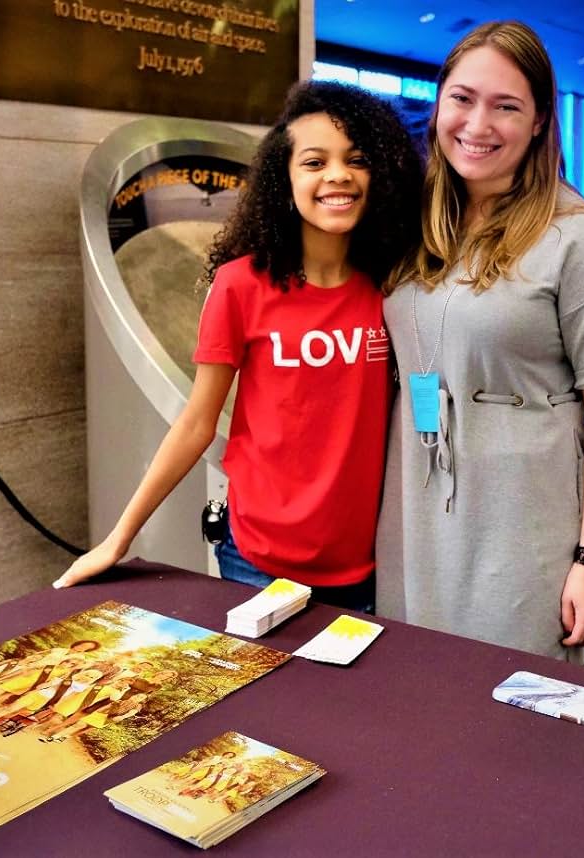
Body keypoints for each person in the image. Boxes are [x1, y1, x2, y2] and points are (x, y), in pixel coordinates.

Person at [53, 81, 423, 611]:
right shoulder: (241, 285)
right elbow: (196, 424)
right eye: (314, 162)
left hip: (366, 565)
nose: (338, 175)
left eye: (356, 159)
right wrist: (119, 538)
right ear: (283, 178)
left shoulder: (391, 287)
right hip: (255, 561)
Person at [376, 21, 584, 662]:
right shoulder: (414, 223)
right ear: (439, 103)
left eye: (507, 106)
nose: (478, 124)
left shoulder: (580, 241)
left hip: (519, 521)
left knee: (512, 705)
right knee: (414, 688)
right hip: (415, 507)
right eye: (464, 99)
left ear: (538, 123)